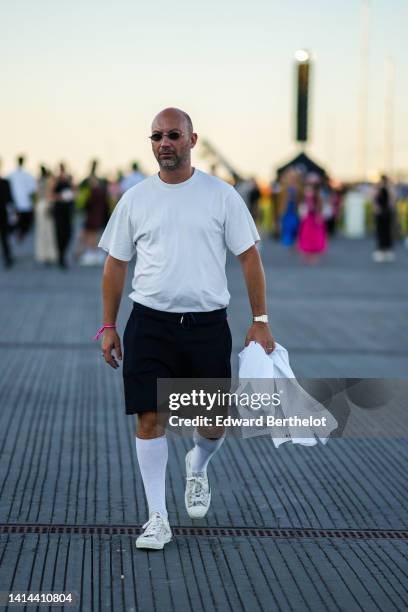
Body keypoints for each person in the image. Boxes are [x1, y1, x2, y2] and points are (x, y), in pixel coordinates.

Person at [96, 107, 276, 550]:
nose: (164, 142)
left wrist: (260, 320)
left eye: (173, 135)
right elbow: (115, 265)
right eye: (156, 136)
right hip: (150, 323)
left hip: (207, 325)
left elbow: (249, 257)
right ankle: (157, 517)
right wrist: (108, 324)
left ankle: (197, 467)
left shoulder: (222, 196)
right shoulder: (135, 199)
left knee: (212, 423)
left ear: (193, 140)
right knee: (150, 417)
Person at [297, 179, 327, 264]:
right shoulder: (304, 199)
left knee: (315, 239)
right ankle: (307, 256)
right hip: (307, 220)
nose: (308, 191)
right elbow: (302, 209)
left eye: (309, 190)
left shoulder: (317, 199)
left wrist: (319, 216)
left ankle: (314, 257)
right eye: (307, 190)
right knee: (306, 237)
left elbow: (320, 209)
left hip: (314, 220)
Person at [51, 163, 75, 269]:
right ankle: (61, 257)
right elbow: (50, 195)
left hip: (68, 210)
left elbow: (75, 191)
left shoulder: (69, 179)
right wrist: (61, 197)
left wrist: (71, 195)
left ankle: (63, 254)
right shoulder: (55, 180)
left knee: (68, 233)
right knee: (60, 234)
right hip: (59, 210)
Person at [7, 155, 37, 241]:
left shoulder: (11, 175)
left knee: (18, 221)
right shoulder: (28, 175)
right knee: (22, 222)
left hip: (17, 203)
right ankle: (19, 234)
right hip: (24, 204)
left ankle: (18, 234)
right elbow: (32, 191)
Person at [35, 165, 58, 265]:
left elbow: (37, 195)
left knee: (41, 231)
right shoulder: (49, 181)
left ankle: (42, 254)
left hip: (39, 206)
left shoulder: (39, 181)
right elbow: (50, 195)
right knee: (49, 231)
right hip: (47, 205)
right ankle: (50, 254)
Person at [372, 175, 395, 262]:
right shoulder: (378, 189)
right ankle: (381, 250)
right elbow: (374, 199)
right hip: (381, 213)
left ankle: (386, 250)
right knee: (381, 231)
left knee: (386, 231)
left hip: (386, 213)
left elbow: (392, 200)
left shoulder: (389, 189)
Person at [0, 161, 14, 268]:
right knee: (5, 237)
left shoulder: (6, 182)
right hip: (3, 212)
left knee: (4, 237)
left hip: (3, 212)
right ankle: (8, 257)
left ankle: (8, 257)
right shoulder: (5, 182)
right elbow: (10, 199)